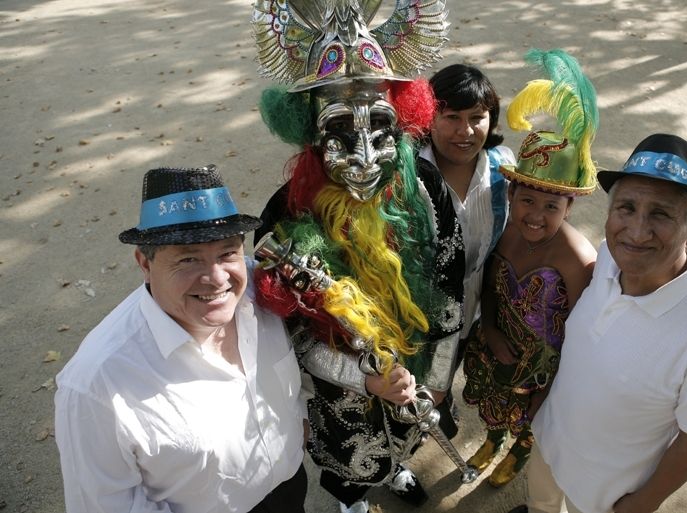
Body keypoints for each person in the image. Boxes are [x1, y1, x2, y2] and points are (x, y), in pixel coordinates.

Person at [249, 2, 463, 512]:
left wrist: (434, 383)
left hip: (416, 364)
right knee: (351, 455)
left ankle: (401, 467)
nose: (366, 156)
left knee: (412, 427)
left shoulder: (426, 188)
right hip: (341, 384)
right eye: (342, 134)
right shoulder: (286, 211)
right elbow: (285, 330)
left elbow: (451, 291)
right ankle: (353, 501)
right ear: (312, 134)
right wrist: (362, 379)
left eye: (382, 131)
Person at [508, 133, 687, 513]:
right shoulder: (608, 257)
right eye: (627, 208)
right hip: (551, 441)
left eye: (661, 214)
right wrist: (548, 400)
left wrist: (644, 504)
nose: (637, 232)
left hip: (607, 493)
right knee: (541, 503)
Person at [54, 165, 308, 513]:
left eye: (227, 253)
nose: (217, 279)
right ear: (144, 263)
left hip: (291, 490)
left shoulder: (263, 290)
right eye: (188, 259)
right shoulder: (96, 386)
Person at [460, 49, 598, 488]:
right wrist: (494, 331)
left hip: (545, 366)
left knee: (530, 415)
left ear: (570, 206)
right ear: (513, 194)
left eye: (551, 205)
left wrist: (553, 384)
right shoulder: (505, 231)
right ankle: (494, 437)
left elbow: (584, 330)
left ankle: (521, 447)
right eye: (527, 200)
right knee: (496, 401)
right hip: (497, 347)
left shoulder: (579, 259)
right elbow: (490, 288)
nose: (535, 215)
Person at [421, 64, 516, 364]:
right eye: (452, 118)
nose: (465, 131)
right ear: (429, 117)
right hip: (416, 320)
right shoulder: (407, 173)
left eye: (477, 118)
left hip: (473, 314)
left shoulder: (504, 169)